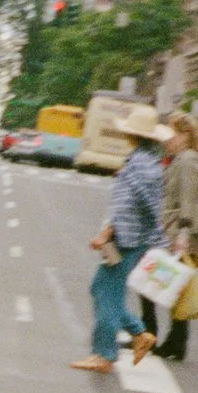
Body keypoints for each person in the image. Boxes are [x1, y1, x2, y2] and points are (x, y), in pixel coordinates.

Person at [73, 106, 170, 374]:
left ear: (133, 135)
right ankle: (140, 334)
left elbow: (128, 206)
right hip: (132, 238)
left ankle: (104, 355)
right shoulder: (148, 161)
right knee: (101, 289)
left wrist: (107, 233)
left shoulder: (139, 166)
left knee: (108, 296)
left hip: (125, 239)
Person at [147, 113, 198, 360]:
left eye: (171, 135)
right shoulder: (183, 159)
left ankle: (154, 335)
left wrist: (182, 235)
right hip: (177, 232)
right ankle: (176, 342)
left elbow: (187, 200)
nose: (167, 140)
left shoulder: (186, 161)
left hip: (178, 234)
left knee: (154, 284)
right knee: (175, 289)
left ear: (185, 135)